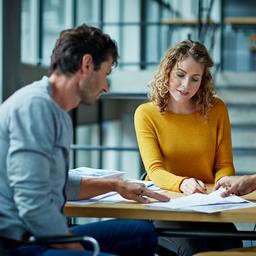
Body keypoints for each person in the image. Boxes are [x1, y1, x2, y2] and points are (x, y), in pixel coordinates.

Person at [0, 24, 169, 256]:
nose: (106, 87)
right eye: (105, 75)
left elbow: (53, 181)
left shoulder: (56, 110)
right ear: (87, 64)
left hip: (38, 235)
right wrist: (77, 249)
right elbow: (33, 203)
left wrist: (116, 185)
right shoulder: (35, 107)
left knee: (141, 233)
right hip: (18, 244)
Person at [134, 40, 242, 255]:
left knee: (233, 246)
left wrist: (223, 182)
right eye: (180, 75)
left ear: (203, 81)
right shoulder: (146, 114)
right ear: (167, 72)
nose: (186, 86)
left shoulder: (217, 109)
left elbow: (224, 164)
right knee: (192, 250)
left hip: (208, 204)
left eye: (195, 79)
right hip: (166, 206)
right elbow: (155, 170)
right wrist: (183, 184)